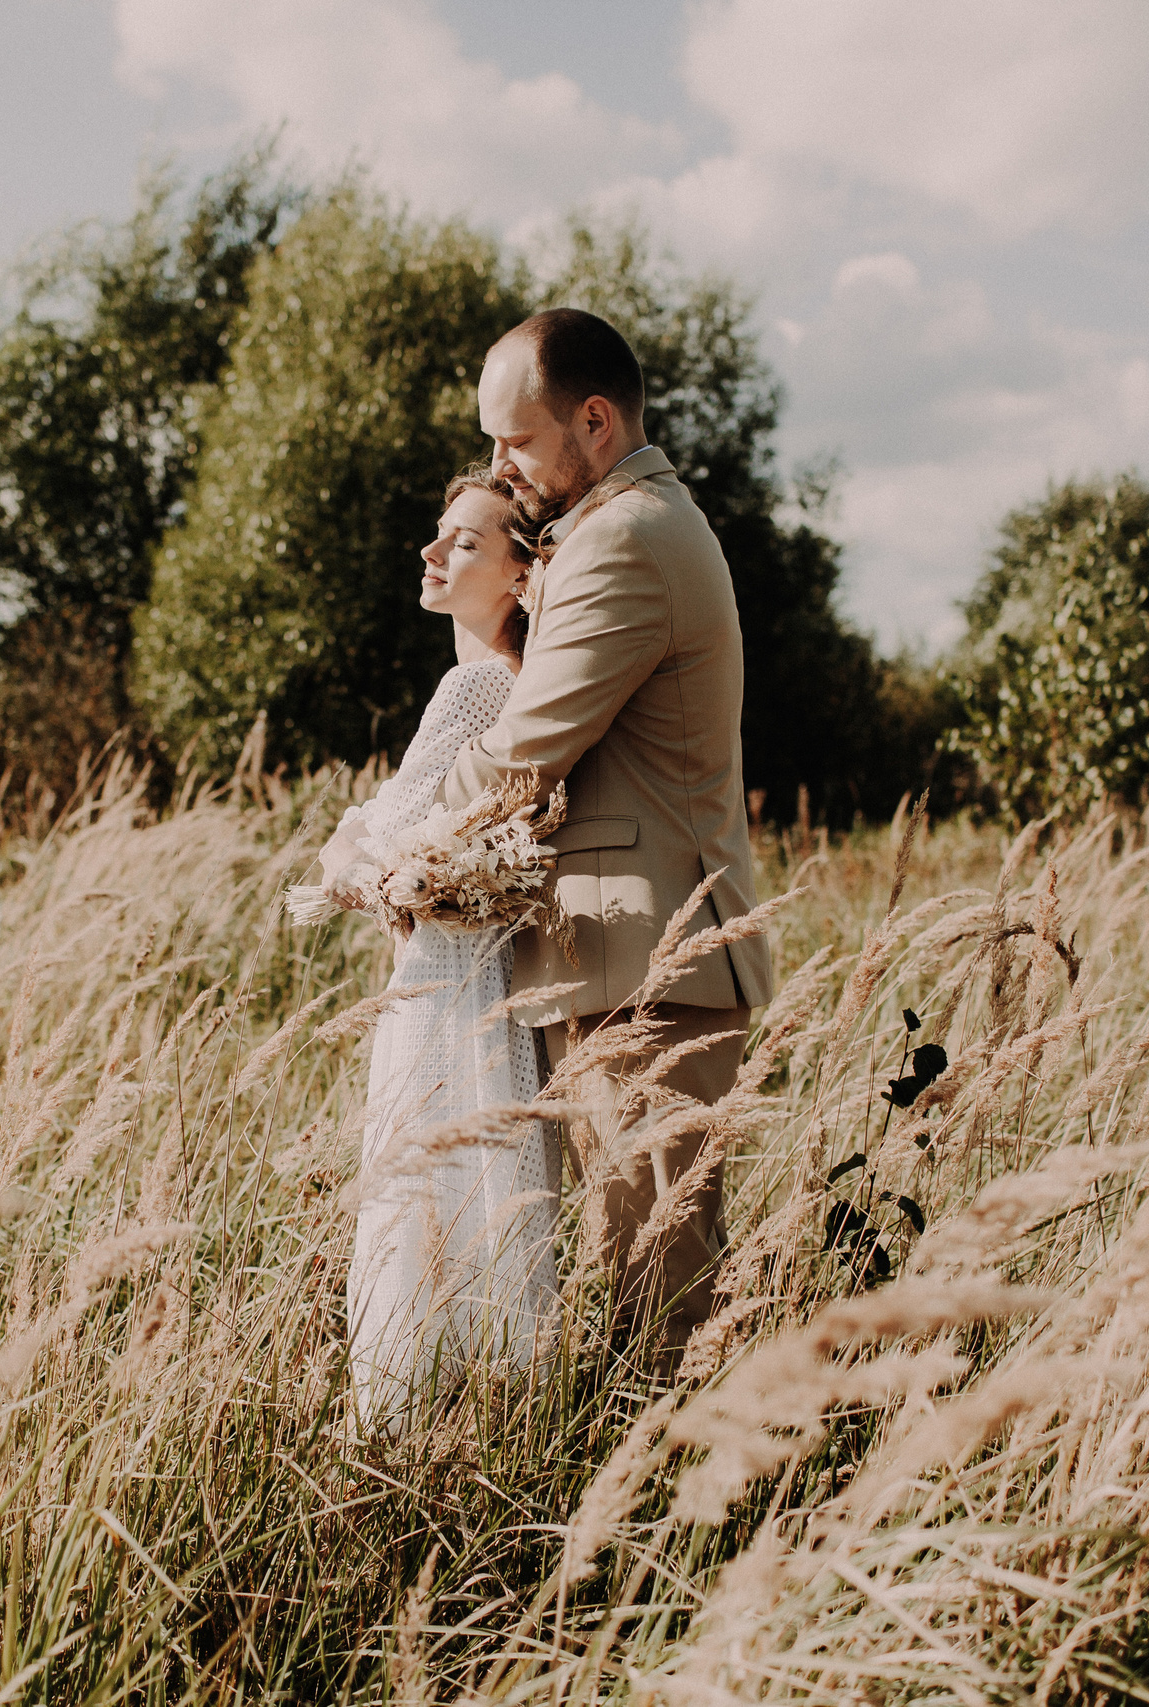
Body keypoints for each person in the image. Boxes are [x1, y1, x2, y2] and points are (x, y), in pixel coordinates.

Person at [436, 307, 773, 1369]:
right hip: (619, 966)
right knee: (631, 1289)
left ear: (593, 419)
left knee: (659, 1306)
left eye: (517, 440)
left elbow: (527, 752)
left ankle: (699, 1520)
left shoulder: (627, 538)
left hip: (656, 969)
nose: (500, 464)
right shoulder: (606, 530)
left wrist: (399, 831)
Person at [323, 467, 562, 1425]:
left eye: (464, 542)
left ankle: (407, 1416)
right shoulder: (518, 684)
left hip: (446, 979)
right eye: (440, 531)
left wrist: (352, 845)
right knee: (490, 1190)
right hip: (491, 969)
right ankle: (504, 1405)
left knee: (426, 1188)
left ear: (519, 575)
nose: (433, 551)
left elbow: (374, 846)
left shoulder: (472, 688)